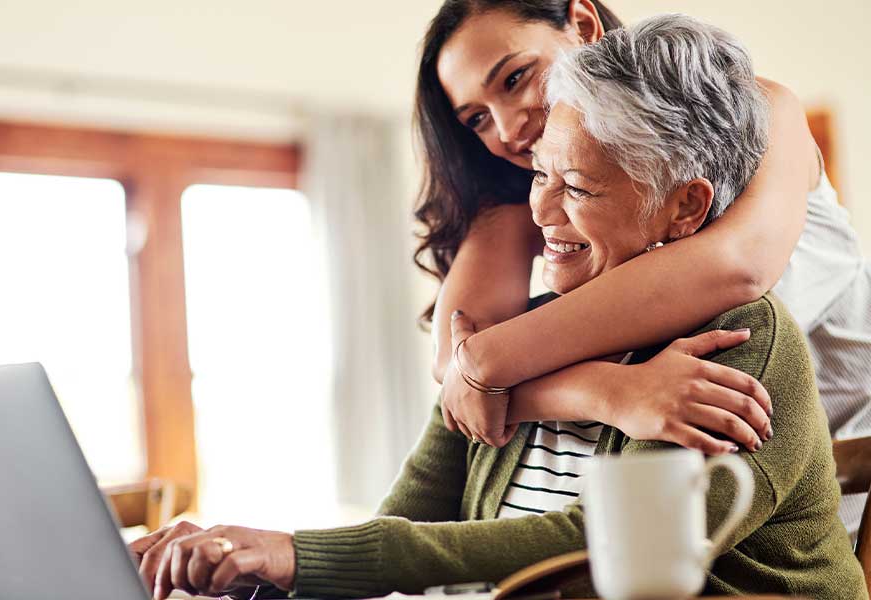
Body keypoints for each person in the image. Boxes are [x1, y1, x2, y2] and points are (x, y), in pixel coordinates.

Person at [128, 16, 867, 599]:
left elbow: (600, 552)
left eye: (575, 187)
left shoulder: (736, 335)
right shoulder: (534, 319)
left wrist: (303, 555)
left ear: (682, 208)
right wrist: (261, 570)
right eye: (538, 174)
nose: (539, 208)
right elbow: (414, 510)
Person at [420, 0, 869, 538]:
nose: (509, 128)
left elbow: (736, 268)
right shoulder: (537, 188)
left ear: (582, 24)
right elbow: (455, 360)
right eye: (476, 119)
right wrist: (605, 391)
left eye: (516, 78)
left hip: (843, 480)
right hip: (702, 477)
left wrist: (490, 362)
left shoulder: (756, 111)